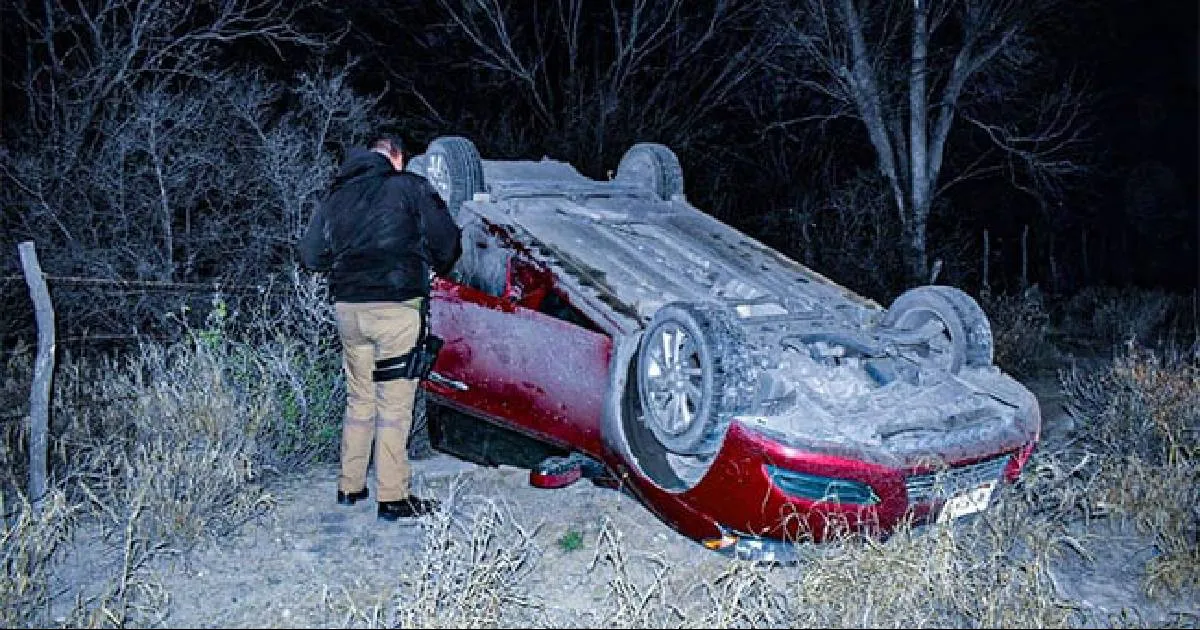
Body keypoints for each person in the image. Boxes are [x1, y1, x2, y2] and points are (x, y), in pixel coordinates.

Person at [298, 134, 462, 521]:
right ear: (397, 158)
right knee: (394, 405)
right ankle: (393, 497)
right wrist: (432, 261)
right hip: (396, 308)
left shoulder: (335, 195)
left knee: (360, 400)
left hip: (349, 312)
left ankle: (350, 485)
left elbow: (310, 255)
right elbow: (448, 241)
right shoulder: (407, 186)